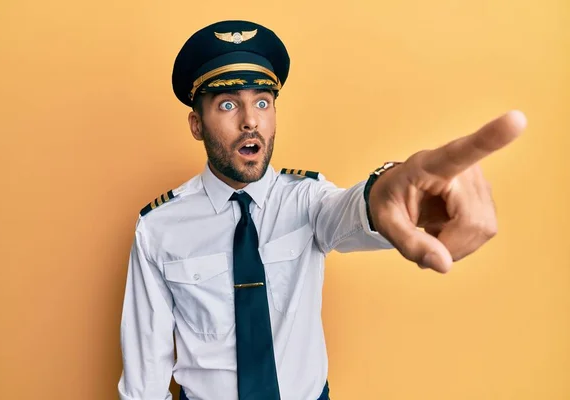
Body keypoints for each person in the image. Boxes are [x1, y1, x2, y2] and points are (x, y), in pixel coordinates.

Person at [117, 20, 526, 400]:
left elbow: (350, 211)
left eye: (262, 103)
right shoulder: (158, 228)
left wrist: (388, 191)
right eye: (227, 105)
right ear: (196, 124)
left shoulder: (308, 199)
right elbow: (145, 373)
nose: (249, 122)